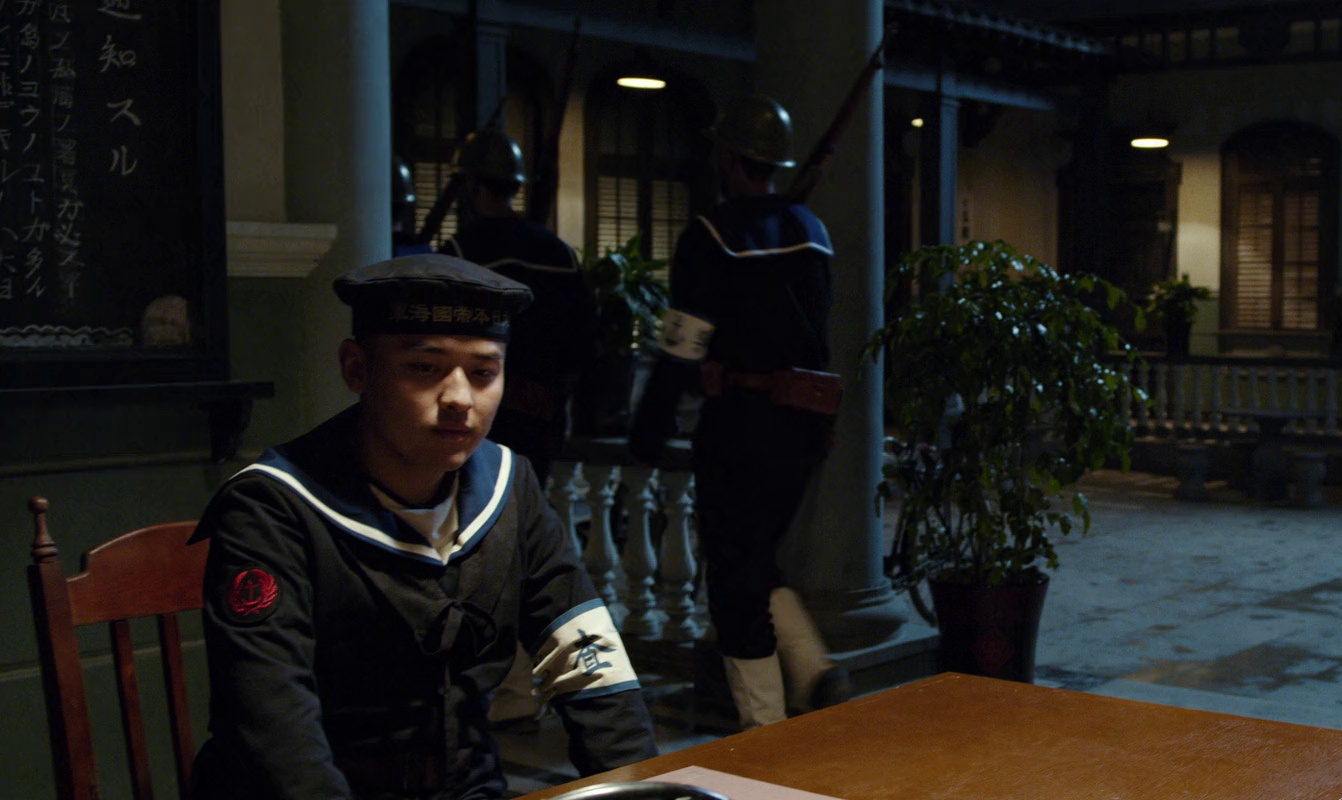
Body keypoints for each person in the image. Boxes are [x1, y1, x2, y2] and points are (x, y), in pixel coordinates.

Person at [190, 253, 658, 800]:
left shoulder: (509, 485)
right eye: (423, 368)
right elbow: (274, 726)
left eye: (483, 373)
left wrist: (643, 789)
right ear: (356, 368)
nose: (459, 398)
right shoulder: (274, 506)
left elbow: (587, 658)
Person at [627, 94, 851, 730]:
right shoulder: (813, 232)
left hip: (740, 429)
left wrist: (648, 430)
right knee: (754, 557)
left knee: (733, 583)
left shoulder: (712, 235)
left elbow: (683, 344)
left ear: (728, 159)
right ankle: (814, 670)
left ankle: (765, 730)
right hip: (803, 427)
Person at [440, 127, 598, 483]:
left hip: (480, 410)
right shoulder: (558, 251)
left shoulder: (461, 252)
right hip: (544, 413)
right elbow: (586, 337)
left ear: (474, 187)